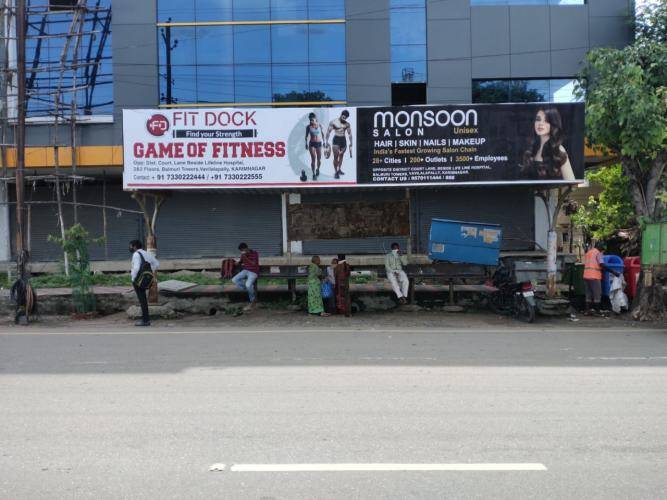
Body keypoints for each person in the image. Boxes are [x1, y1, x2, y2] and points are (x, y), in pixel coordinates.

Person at [521, 108, 575, 181]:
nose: (540, 123)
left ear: (553, 123)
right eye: (538, 119)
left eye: (546, 120)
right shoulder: (531, 149)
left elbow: (572, 182)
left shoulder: (558, 149)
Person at [583, 241, 619, 316]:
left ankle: (587, 311)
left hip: (586, 276)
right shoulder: (598, 253)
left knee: (588, 294)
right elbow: (602, 264)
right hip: (594, 276)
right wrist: (613, 271)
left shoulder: (589, 252)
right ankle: (597, 311)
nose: (602, 250)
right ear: (600, 247)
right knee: (597, 294)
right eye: (602, 248)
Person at [129, 239, 159, 327]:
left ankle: (145, 320)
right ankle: (146, 319)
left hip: (138, 280)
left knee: (142, 300)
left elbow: (136, 268)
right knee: (144, 300)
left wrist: (133, 278)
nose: (130, 248)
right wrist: (149, 271)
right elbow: (156, 264)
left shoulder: (136, 254)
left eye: (130, 246)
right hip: (146, 279)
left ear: (134, 246)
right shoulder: (146, 253)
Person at [326, 110, 353, 179]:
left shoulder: (347, 124)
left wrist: (351, 142)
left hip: (343, 140)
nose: (344, 119)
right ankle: (336, 172)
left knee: (341, 156)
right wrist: (326, 141)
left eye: (345, 118)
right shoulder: (334, 122)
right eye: (343, 117)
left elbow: (349, 134)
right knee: (336, 156)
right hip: (336, 140)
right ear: (341, 115)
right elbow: (328, 132)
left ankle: (339, 169)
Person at [232, 243, 259, 311]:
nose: (242, 252)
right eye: (241, 251)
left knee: (248, 284)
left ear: (246, 248)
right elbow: (241, 262)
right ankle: (249, 288)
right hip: (245, 270)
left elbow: (254, 263)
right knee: (234, 280)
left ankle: (253, 301)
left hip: (253, 272)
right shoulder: (243, 255)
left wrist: (245, 257)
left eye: (242, 250)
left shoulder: (255, 253)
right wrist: (237, 263)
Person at [305, 112, 324, 181]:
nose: (311, 121)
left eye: (312, 120)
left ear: (315, 119)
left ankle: (318, 169)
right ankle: (313, 174)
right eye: (310, 120)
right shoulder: (308, 127)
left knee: (319, 159)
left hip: (318, 143)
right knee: (313, 158)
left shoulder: (319, 125)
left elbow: (322, 133)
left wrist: (324, 142)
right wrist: (306, 144)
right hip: (312, 143)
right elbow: (306, 136)